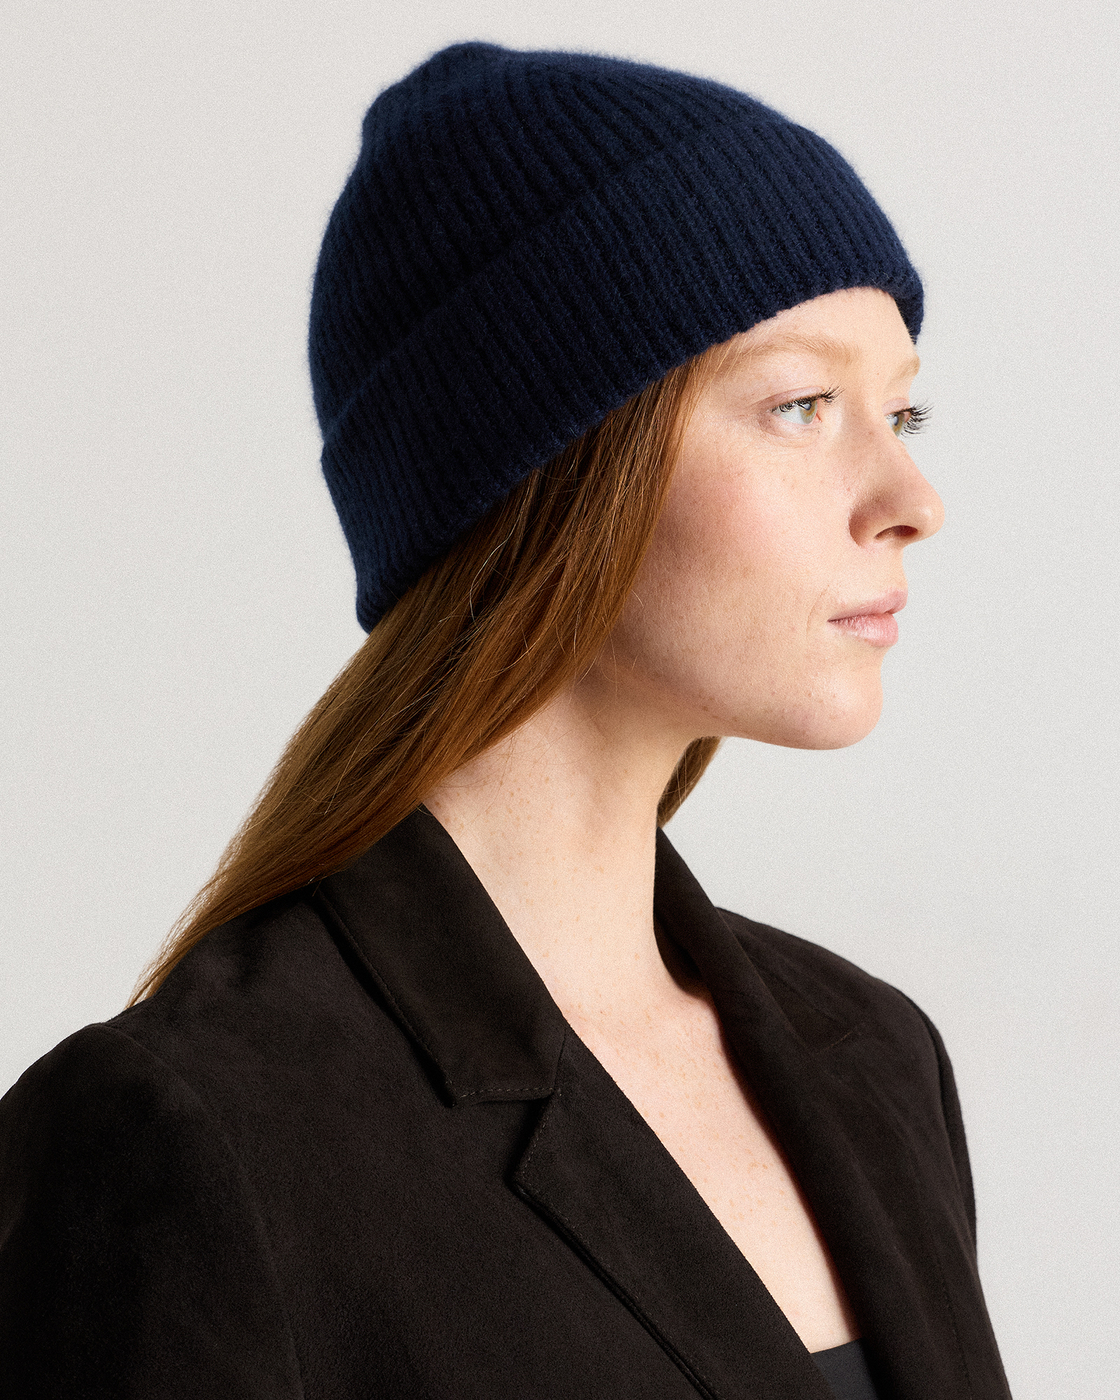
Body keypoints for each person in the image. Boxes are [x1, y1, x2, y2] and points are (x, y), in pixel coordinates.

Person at [0, 42, 1011, 1400]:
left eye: (903, 409)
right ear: (551, 467)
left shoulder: (875, 1056)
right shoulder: (193, 1133)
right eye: (801, 405)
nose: (911, 499)